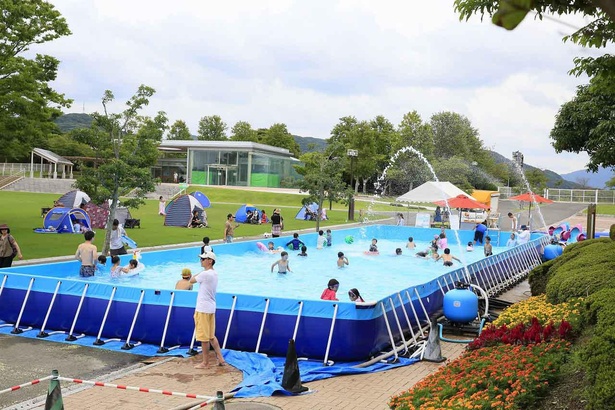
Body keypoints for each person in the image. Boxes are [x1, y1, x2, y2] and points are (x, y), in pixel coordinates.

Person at [189, 251, 225, 368]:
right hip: (211, 308)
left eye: (203, 259)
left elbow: (191, 280)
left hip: (203, 309)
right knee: (211, 336)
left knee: (204, 338)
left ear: (210, 261)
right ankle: (220, 358)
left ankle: (205, 363)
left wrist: (202, 271)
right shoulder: (214, 273)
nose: (201, 261)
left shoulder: (206, 274)